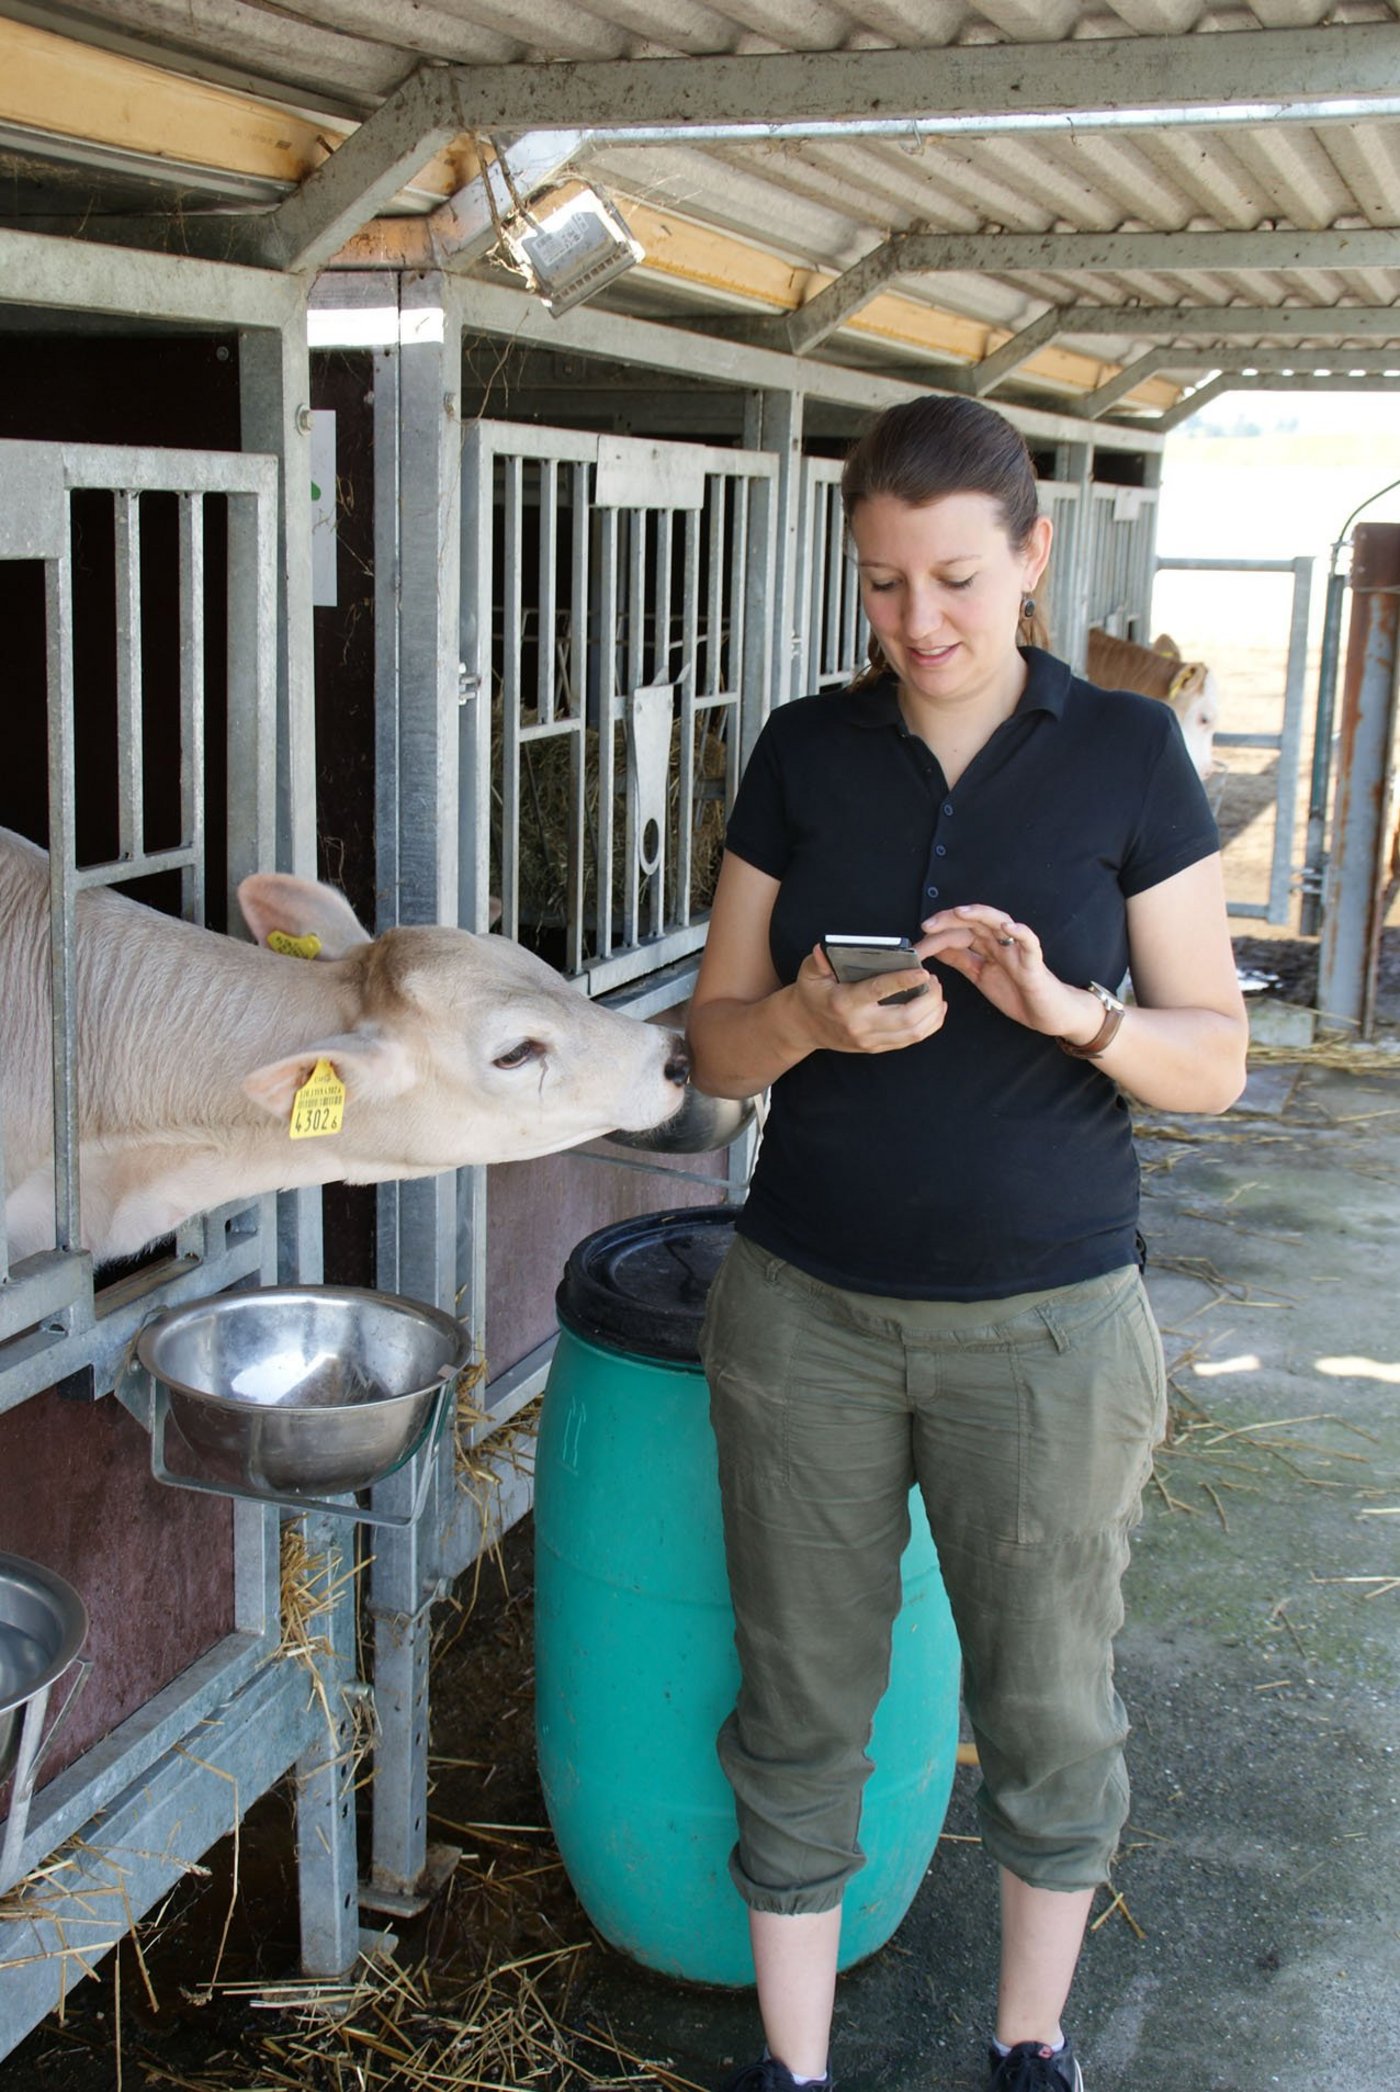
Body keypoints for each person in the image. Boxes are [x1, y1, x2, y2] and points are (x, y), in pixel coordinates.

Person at [686, 392, 1248, 2092]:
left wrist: (1076, 1014)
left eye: (953, 579)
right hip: (807, 1315)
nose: (918, 621)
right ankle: (795, 2068)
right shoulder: (805, 750)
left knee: (1052, 1708)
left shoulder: (1126, 753)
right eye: (882, 583)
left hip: (1052, 1329)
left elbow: (1215, 1059)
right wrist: (804, 1018)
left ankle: (1029, 2046)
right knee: (800, 1703)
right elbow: (713, 1048)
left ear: (1033, 556)